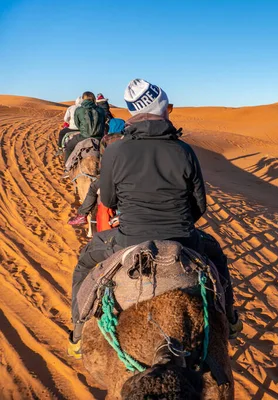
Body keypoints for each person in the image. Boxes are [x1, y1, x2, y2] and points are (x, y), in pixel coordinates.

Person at [68, 79, 241, 358]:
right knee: (217, 257)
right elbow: (200, 206)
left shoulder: (114, 151)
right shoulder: (184, 151)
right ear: (162, 109)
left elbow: (109, 201)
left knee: (85, 262)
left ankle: (77, 333)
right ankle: (231, 321)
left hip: (127, 239)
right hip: (183, 238)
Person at [64, 92, 106, 161]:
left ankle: (66, 168)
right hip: (99, 138)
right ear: (94, 99)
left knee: (69, 147)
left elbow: (78, 124)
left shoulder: (79, 110)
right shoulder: (100, 110)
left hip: (83, 136)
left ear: (83, 99)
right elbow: (103, 122)